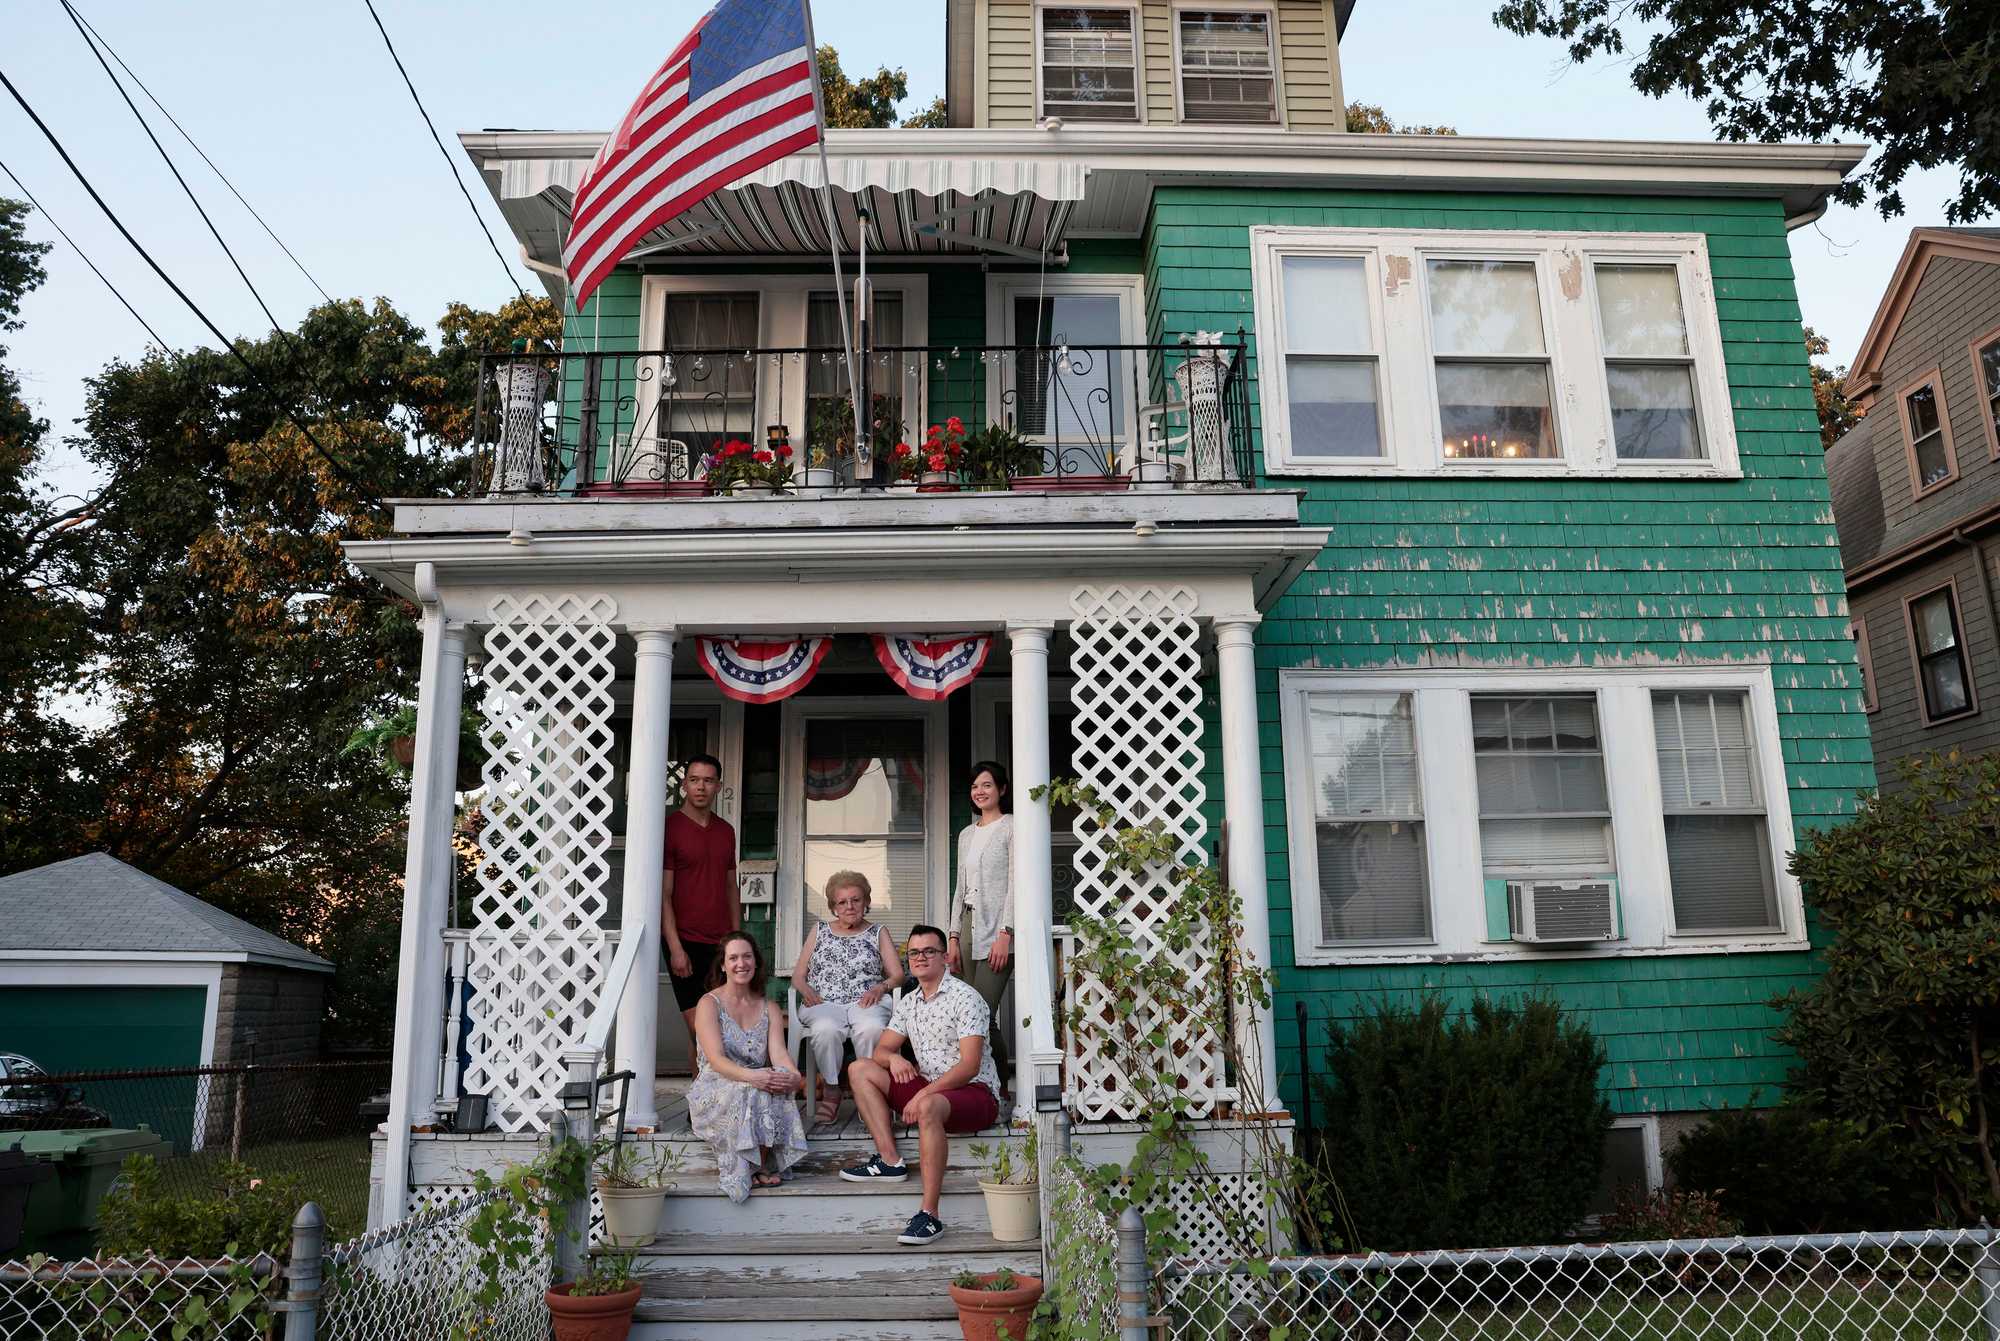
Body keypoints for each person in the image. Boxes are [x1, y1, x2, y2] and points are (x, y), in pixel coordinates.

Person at [838, 923, 1002, 1246]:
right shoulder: (910, 1003)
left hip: (976, 1094)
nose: (921, 958)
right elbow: (881, 1050)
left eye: (929, 951)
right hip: (930, 1088)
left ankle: (930, 1216)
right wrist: (894, 1058)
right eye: (914, 952)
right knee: (860, 1069)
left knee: (926, 1105)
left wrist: (924, 1093)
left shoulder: (965, 998)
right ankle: (889, 1160)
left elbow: (969, 1066)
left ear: (945, 958)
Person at [685, 930, 808, 1202]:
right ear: (723, 965)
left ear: (756, 962)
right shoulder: (708, 1004)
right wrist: (754, 1077)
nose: (741, 964)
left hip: (754, 1080)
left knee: (774, 1083)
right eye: (733, 958)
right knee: (753, 1089)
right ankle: (747, 1168)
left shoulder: (769, 1008)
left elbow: (779, 1054)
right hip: (715, 1085)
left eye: (747, 957)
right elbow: (716, 1059)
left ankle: (758, 1163)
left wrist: (793, 1076)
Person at [789, 870, 905, 1125]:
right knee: (826, 1030)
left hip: (867, 1000)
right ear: (833, 907)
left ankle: (869, 1090)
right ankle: (831, 1089)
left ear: (866, 903)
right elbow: (799, 976)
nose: (849, 906)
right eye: (842, 902)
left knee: (872, 1029)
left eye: (856, 899)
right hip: (824, 1002)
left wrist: (880, 988)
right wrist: (805, 989)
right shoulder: (819, 931)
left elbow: (897, 975)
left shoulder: (878, 932)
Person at [663, 753, 737, 1047]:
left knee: (719, 1027)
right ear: (684, 785)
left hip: (720, 942)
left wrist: (736, 938)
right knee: (701, 1029)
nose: (701, 787)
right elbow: (663, 895)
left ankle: (702, 1091)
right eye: (694, 780)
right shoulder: (670, 828)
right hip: (686, 940)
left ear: (718, 786)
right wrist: (675, 947)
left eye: (708, 781)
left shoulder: (726, 831)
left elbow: (731, 887)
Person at [947, 761, 1014, 1084]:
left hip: (997, 928)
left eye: (987, 785)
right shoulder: (966, 834)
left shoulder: (1012, 826)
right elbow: (960, 886)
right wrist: (953, 936)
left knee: (982, 1015)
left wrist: (1007, 933)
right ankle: (984, 1086)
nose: (980, 791)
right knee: (970, 1017)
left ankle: (999, 1088)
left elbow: (1017, 882)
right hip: (969, 927)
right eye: (975, 786)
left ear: (1001, 789)